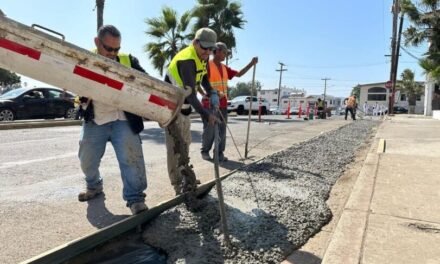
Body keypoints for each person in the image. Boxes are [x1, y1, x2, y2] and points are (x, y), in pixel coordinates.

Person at [77, 25, 148, 215]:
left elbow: (147, 82)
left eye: (116, 49)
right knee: (87, 160)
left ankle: (135, 199)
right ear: (97, 42)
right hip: (96, 118)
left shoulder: (128, 60)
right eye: (108, 48)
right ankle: (94, 186)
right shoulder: (84, 58)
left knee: (131, 158)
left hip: (123, 118)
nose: (113, 53)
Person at [164, 27, 219, 195]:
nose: (208, 52)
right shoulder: (187, 60)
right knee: (175, 148)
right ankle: (177, 185)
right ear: (195, 43)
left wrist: (212, 92)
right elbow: (193, 95)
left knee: (185, 146)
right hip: (171, 109)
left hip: (184, 108)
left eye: (211, 49)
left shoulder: (200, 57)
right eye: (205, 48)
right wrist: (206, 114)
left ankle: (187, 179)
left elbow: (203, 79)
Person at [200, 42, 258, 161]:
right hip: (209, 104)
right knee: (209, 129)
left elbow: (239, 74)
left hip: (222, 104)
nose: (226, 55)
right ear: (217, 51)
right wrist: (203, 94)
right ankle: (205, 151)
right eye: (225, 52)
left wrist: (251, 64)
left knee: (222, 129)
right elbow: (198, 81)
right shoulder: (207, 65)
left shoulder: (224, 68)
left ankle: (219, 153)